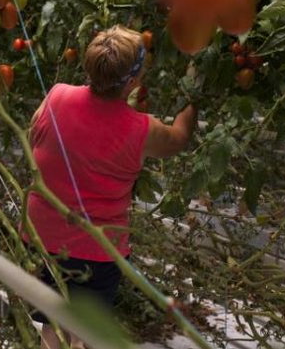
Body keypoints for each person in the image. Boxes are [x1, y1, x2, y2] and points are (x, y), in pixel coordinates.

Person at [25, 26, 197, 349]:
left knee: (53, 324)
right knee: (84, 331)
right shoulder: (142, 129)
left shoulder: (57, 94)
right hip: (97, 250)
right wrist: (193, 97)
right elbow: (179, 138)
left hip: (41, 235)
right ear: (132, 82)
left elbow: (36, 134)